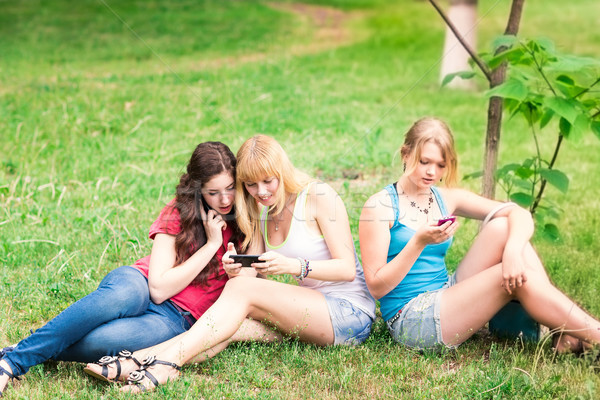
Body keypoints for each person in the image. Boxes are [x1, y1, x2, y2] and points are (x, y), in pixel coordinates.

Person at [87, 134, 376, 393]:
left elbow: (347, 268)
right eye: (250, 184)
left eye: (268, 181)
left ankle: (163, 366)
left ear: (282, 171)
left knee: (240, 295)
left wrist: (292, 266)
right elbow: (252, 276)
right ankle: (138, 362)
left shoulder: (317, 196)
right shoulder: (263, 211)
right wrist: (234, 269)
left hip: (349, 313)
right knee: (229, 325)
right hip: (311, 309)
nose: (260, 191)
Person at [0, 141, 242, 396]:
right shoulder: (180, 211)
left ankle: (22, 347)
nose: (225, 199)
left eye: (230, 188)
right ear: (197, 189)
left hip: (175, 318)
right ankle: (11, 363)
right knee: (122, 296)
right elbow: (158, 289)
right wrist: (212, 244)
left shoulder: (246, 217)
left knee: (98, 341)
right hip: (141, 284)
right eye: (213, 192)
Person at [358, 116, 600, 351]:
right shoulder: (380, 206)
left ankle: (566, 332)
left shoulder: (445, 198)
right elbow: (377, 287)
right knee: (513, 276)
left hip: (446, 292)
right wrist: (419, 242)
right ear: (405, 154)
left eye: (441, 165)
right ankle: (592, 334)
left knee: (503, 227)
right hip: (411, 317)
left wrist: (513, 251)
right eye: (424, 161)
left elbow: (519, 214)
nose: (432, 172)